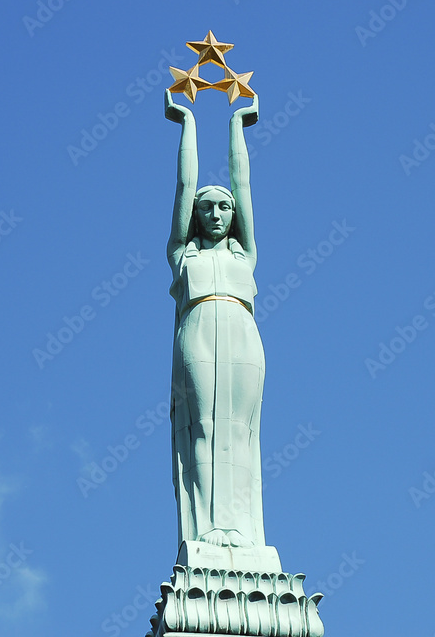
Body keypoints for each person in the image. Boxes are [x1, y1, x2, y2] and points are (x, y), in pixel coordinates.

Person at [165, 88, 265, 548]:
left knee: (240, 431)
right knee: (203, 424)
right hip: (199, 329)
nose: (217, 213)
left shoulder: (245, 254)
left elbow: (242, 185)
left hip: (242, 332)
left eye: (223, 207)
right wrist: (188, 123)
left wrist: (236, 126)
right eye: (208, 207)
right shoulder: (182, 255)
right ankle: (208, 526)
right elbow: (185, 188)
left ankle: (241, 529)